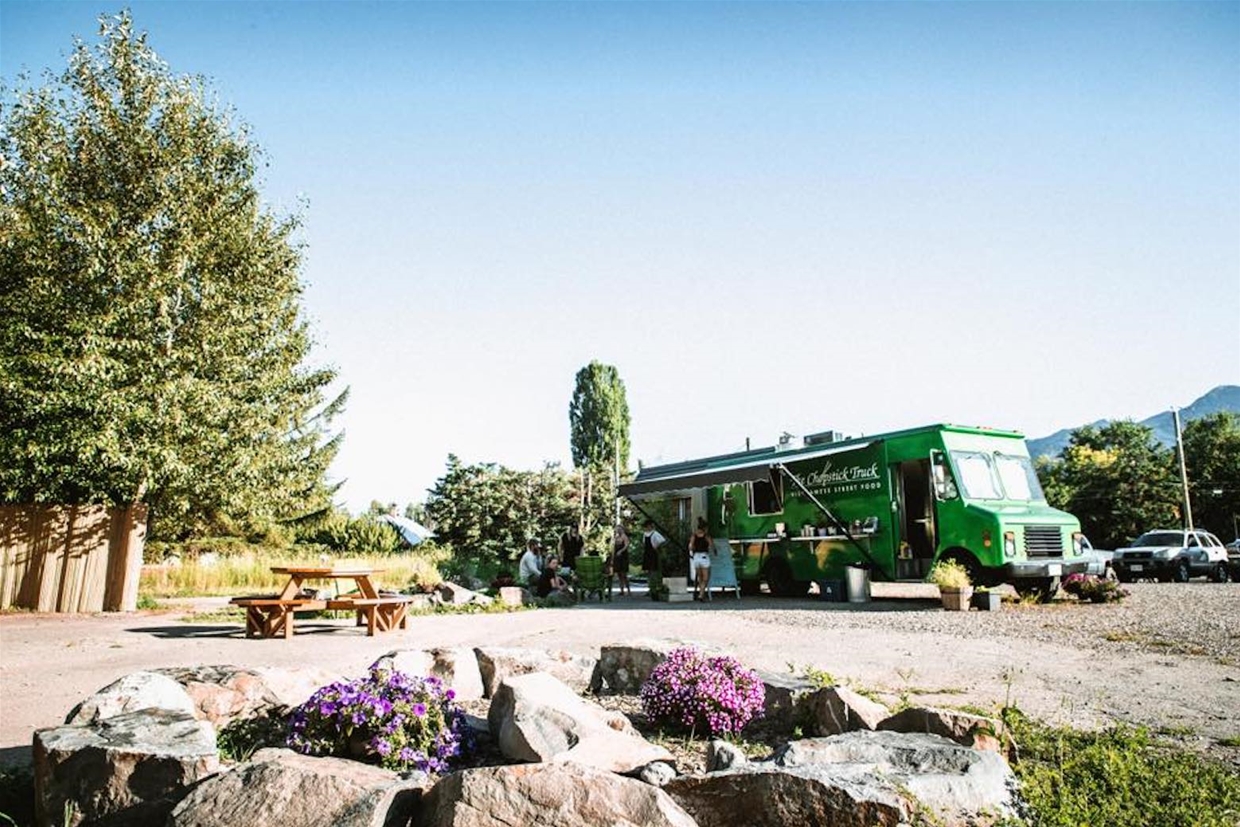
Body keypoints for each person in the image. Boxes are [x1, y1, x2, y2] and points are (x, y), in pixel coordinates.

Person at [689, 517, 713, 601]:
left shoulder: (694, 536)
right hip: (704, 557)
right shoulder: (706, 536)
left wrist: (692, 553)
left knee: (700, 577)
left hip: (696, 558)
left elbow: (690, 546)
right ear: (705, 528)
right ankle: (701, 594)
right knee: (706, 577)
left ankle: (700, 593)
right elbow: (711, 546)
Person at [612, 523, 632, 595]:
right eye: (617, 529)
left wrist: (621, 551)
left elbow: (626, 545)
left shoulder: (624, 537)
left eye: (619, 528)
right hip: (617, 557)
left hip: (623, 556)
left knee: (624, 574)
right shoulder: (616, 537)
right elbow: (613, 547)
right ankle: (622, 590)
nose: (617, 530)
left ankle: (628, 590)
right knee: (619, 574)